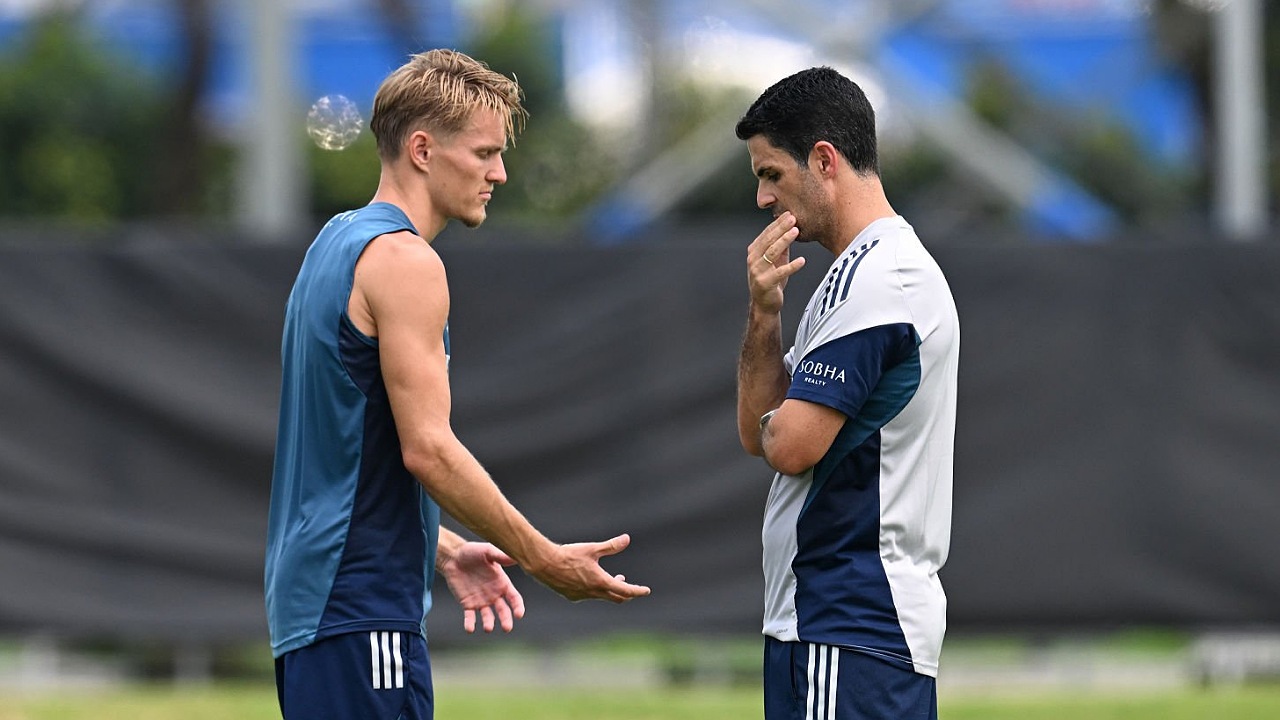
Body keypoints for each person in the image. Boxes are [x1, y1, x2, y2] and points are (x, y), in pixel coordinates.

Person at [264, 49, 650, 720]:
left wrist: (437, 544)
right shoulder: (407, 262)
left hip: (316, 609)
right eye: (483, 153)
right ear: (422, 149)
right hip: (360, 610)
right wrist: (543, 558)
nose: (499, 172)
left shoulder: (334, 242)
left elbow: (344, 451)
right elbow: (428, 449)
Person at [734, 66, 960, 720]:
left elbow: (790, 445)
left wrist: (780, 421)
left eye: (770, 173)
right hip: (828, 629)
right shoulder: (852, 275)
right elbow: (756, 432)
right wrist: (764, 315)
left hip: (853, 626)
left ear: (824, 160)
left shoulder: (886, 279)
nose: (762, 198)